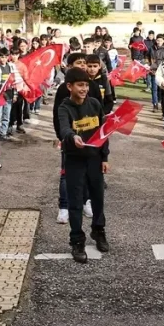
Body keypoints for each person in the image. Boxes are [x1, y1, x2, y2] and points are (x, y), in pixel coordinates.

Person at [56, 67, 110, 263]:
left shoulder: (94, 103)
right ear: (69, 86)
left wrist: (104, 157)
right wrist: (72, 137)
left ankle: (98, 230)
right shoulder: (64, 108)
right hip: (74, 160)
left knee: (98, 198)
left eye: (86, 85)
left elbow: (104, 132)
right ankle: (77, 240)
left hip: (94, 159)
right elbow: (63, 128)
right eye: (80, 85)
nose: (84, 89)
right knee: (76, 201)